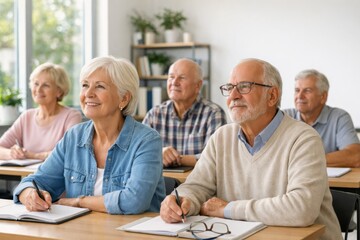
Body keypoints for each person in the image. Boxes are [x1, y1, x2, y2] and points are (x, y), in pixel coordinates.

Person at [160, 58, 342, 240]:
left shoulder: (304, 138)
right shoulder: (222, 136)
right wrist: (181, 201)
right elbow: (197, 186)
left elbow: (302, 209)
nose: (233, 96)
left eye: (244, 87)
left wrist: (227, 209)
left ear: (271, 96)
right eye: (230, 88)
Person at [13, 56, 165, 214]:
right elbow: (34, 182)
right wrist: (30, 194)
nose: (88, 94)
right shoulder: (73, 136)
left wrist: (79, 202)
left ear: (124, 98)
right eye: (85, 85)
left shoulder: (147, 140)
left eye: (99, 87)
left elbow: (134, 201)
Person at [142, 58, 227, 167]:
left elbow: (215, 158)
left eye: (182, 78)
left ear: (198, 85)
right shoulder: (154, 114)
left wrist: (171, 158)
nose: (174, 82)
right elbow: (137, 153)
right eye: (171, 77)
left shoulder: (214, 114)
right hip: (161, 183)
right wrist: (160, 153)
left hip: (197, 182)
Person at [0, 62, 82, 160]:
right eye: (36, 84)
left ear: (59, 91)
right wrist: (14, 153)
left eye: (46, 85)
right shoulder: (27, 116)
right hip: (28, 175)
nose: (38, 89)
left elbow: (70, 152)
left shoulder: (71, 116)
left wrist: (33, 155)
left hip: (57, 175)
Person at [284, 69, 360, 167]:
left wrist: (305, 160)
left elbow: (355, 156)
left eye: (307, 91)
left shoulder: (339, 117)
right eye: (297, 90)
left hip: (329, 182)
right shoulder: (285, 116)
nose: (300, 96)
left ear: (323, 97)